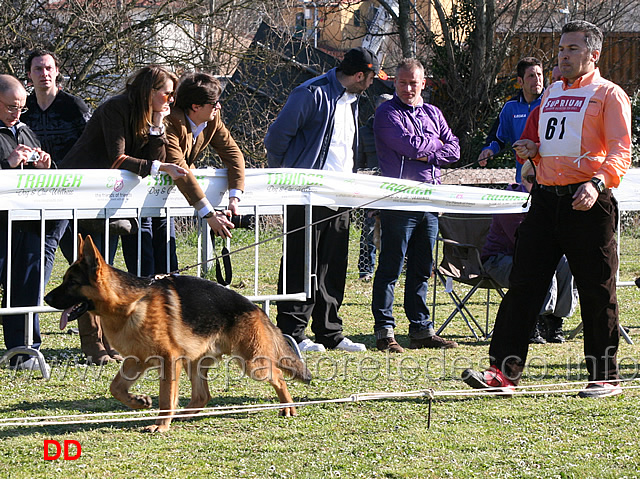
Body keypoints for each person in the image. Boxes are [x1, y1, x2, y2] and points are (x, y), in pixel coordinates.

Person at [463, 20, 632, 398]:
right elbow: (536, 138)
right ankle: (503, 373)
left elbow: (621, 151)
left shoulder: (609, 94)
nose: (563, 56)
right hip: (544, 199)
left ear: (594, 54)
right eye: (560, 49)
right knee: (524, 285)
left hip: (587, 199)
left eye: (572, 49)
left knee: (596, 289)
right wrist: (528, 150)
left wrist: (598, 183)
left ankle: (605, 376)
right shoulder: (551, 93)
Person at [59, 65, 188, 364]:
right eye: (166, 93)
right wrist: (158, 166)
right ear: (149, 91)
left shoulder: (155, 116)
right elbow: (117, 158)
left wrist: (158, 125)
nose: (171, 99)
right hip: (80, 196)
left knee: (105, 273)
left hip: (110, 202)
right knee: (86, 273)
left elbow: (157, 160)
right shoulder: (115, 109)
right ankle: (93, 345)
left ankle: (109, 342)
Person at [264, 47, 379, 353]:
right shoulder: (310, 93)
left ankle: (331, 332)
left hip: (341, 193)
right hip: (305, 194)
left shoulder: (352, 101)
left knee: (333, 263)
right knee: (300, 262)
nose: (370, 85)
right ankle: (292, 332)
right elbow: (276, 140)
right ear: (359, 75)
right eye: (369, 78)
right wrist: (288, 181)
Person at [372, 58, 460, 353]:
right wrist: (433, 146)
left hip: (430, 202)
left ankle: (421, 330)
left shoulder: (434, 113)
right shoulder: (386, 113)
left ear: (424, 83)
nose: (408, 88)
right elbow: (408, 148)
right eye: (402, 83)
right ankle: (384, 332)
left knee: (423, 268)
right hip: (398, 200)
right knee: (391, 268)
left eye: (414, 83)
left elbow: (455, 149)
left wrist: (426, 151)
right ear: (394, 83)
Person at [481, 160, 578, 343]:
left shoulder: (549, 201)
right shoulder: (511, 200)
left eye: (541, 179)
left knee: (566, 263)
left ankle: (554, 321)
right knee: (539, 263)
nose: (536, 184)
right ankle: (532, 322)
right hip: (499, 259)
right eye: (531, 179)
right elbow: (522, 242)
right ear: (522, 179)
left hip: (531, 255)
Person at [21, 49, 91, 283]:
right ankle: (30, 310)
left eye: (49, 68)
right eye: (38, 69)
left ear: (57, 71)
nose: (44, 74)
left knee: (74, 255)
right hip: (33, 191)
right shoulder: (24, 108)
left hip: (71, 189)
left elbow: (91, 146)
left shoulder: (73, 106)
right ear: (29, 75)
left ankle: (94, 313)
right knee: (47, 249)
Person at [0, 74, 53, 371]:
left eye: (21, 108)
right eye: (10, 107)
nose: (17, 114)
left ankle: (25, 352)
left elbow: (47, 177)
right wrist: (7, 164)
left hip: (28, 222)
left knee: (26, 286)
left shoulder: (27, 130)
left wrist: (46, 165)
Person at [164, 72, 245, 242]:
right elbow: (179, 166)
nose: (219, 107)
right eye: (214, 103)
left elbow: (233, 154)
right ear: (195, 107)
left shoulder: (212, 119)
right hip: (144, 195)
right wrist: (209, 213)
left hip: (169, 194)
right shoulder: (169, 121)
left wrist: (234, 198)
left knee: (168, 258)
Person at [477, 57, 544, 182]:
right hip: (524, 179)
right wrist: (488, 150)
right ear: (520, 81)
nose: (537, 80)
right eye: (531, 76)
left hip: (549, 177)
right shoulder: (510, 107)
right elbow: (498, 137)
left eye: (539, 75)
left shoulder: (551, 102)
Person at [356, 93, 392, 281]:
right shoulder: (364, 132)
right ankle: (366, 270)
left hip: (393, 188)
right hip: (370, 189)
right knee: (369, 230)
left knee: (394, 230)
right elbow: (358, 161)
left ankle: (394, 266)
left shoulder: (397, 130)